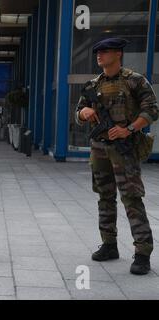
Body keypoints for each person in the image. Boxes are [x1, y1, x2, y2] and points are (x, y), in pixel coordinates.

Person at [75, 38, 158, 275]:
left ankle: (142, 252)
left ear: (118, 54)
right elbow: (77, 114)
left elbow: (152, 110)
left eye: (104, 51)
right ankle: (109, 244)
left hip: (125, 148)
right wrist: (84, 111)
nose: (99, 55)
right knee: (104, 196)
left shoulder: (134, 80)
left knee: (131, 198)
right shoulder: (93, 84)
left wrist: (129, 129)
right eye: (97, 52)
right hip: (99, 148)